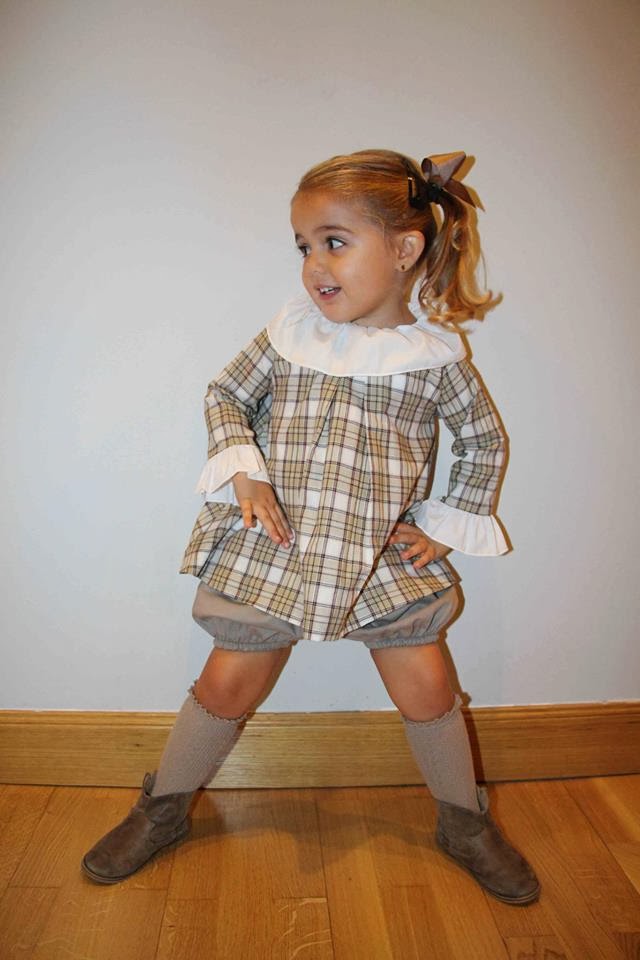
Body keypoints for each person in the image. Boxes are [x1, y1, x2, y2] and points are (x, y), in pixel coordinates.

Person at [81, 149, 540, 906]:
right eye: (302, 246)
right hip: (280, 544)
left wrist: (445, 525)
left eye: (334, 242)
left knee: (430, 687)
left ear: (404, 249)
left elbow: (484, 440)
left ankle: (465, 822)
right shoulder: (289, 336)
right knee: (226, 680)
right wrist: (245, 471)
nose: (313, 265)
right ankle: (162, 808)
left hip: (380, 558)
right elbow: (226, 394)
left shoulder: (433, 360)